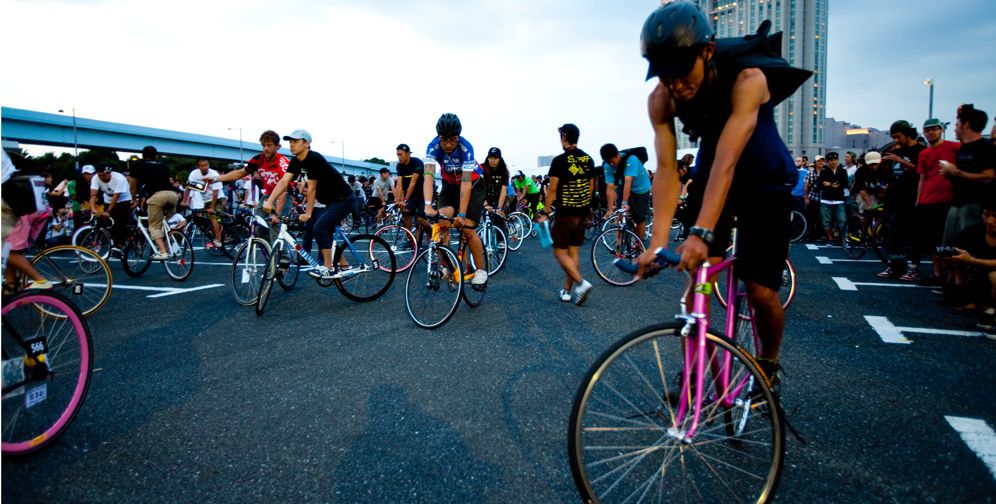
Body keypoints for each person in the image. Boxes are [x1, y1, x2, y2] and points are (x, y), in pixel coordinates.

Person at [637, 2, 812, 389]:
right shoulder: (661, 99)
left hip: (765, 181)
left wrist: (701, 232)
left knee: (760, 290)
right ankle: (696, 372)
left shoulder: (749, 79)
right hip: (710, 177)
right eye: (665, 76)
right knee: (693, 277)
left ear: (707, 52)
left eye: (682, 72)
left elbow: (727, 161)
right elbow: (667, 170)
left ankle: (768, 362)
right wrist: (657, 242)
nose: (676, 85)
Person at [263, 129, 356, 280]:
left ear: (306, 144)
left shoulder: (314, 159)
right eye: (290, 142)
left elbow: (312, 188)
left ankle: (328, 267)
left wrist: (308, 213)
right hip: (330, 201)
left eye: (295, 142)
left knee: (319, 227)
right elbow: (284, 181)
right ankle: (345, 265)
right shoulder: (296, 161)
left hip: (344, 199)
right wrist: (269, 200)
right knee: (324, 232)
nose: (291, 145)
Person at [421, 113, 488, 285]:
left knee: (467, 229)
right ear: (438, 137)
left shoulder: (466, 148)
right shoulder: (432, 146)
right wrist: (428, 205)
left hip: (473, 184)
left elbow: (465, 184)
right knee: (441, 223)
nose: (448, 144)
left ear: (458, 137)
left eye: (453, 140)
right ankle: (448, 265)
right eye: (444, 140)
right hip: (450, 185)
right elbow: (428, 176)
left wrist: (462, 214)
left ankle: (481, 270)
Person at [538, 124, 595, 304]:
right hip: (582, 210)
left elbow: (552, 189)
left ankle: (581, 283)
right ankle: (568, 290)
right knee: (573, 252)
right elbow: (591, 186)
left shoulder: (559, 160)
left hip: (566, 212)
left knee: (559, 252)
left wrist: (545, 212)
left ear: (563, 136)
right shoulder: (588, 159)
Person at [908, 119, 958, 284]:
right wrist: (918, 201)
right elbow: (922, 178)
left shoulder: (954, 147)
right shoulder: (924, 153)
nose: (931, 133)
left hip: (949, 200)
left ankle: (952, 276)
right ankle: (937, 274)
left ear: (941, 130)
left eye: (934, 129)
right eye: (927, 130)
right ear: (924, 133)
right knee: (932, 241)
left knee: (949, 240)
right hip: (927, 200)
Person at [878, 120, 926, 278]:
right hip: (894, 199)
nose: (896, 140)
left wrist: (902, 162)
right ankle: (894, 266)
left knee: (914, 236)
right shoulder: (896, 152)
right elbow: (891, 177)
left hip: (912, 199)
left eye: (898, 136)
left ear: (907, 133)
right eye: (893, 137)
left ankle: (914, 268)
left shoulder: (921, 151)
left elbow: (923, 172)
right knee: (892, 233)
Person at [949, 201, 996, 338]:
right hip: (977, 280)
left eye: (995, 216)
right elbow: (955, 258)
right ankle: (989, 310)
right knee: (956, 302)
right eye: (987, 214)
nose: (990, 220)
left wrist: (971, 260)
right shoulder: (972, 232)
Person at [128, 145, 179, 260]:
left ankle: (163, 252)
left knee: (153, 226)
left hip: (157, 196)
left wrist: (134, 200)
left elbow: (132, 185)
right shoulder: (163, 165)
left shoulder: (138, 165)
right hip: (173, 195)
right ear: (156, 156)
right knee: (164, 220)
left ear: (142, 155)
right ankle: (169, 240)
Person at [601, 143, 652, 241]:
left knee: (639, 219)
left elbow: (628, 181)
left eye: (612, 161)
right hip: (623, 186)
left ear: (617, 155)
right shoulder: (607, 166)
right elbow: (610, 187)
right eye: (608, 162)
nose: (612, 164)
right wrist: (610, 208)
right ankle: (618, 246)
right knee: (620, 216)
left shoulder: (631, 160)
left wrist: (625, 203)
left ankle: (639, 246)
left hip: (640, 189)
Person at [89, 165, 133, 253]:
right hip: (108, 200)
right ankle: (109, 240)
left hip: (123, 200)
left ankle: (120, 244)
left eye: (103, 175)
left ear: (109, 173)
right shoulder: (95, 178)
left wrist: (108, 211)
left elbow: (115, 197)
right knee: (105, 221)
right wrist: (93, 208)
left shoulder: (119, 178)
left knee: (119, 222)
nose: (101, 177)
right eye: (99, 175)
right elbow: (93, 195)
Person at [182, 159, 224, 248]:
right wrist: (184, 201)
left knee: (213, 217)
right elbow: (188, 188)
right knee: (200, 217)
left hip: (216, 198)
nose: (205, 167)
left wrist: (212, 208)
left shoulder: (214, 174)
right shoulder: (194, 174)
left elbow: (215, 193)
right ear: (198, 167)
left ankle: (218, 239)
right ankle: (212, 233)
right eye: (202, 166)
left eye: (206, 165)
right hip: (205, 199)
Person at [393, 144, 426, 232]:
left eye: (401, 154)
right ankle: (410, 238)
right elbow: (399, 185)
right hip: (413, 195)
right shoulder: (399, 166)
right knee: (404, 212)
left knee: (420, 219)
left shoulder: (417, 162)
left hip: (423, 193)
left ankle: (432, 236)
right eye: (397, 154)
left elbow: (413, 183)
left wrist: (404, 200)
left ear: (408, 154)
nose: (399, 157)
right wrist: (396, 201)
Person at [818, 152, 848, 243]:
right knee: (826, 220)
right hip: (826, 199)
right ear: (827, 162)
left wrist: (832, 184)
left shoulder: (842, 171)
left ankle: (844, 238)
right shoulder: (824, 171)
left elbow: (845, 184)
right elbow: (820, 185)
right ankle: (830, 238)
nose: (833, 162)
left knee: (842, 220)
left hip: (839, 199)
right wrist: (829, 184)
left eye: (835, 160)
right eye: (831, 160)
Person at [482, 147, 510, 236]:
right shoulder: (482, 169)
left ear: (499, 159)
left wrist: (499, 207)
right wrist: (485, 204)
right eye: (490, 158)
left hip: (499, 198)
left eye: (495, 158)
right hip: (485, 198)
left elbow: (503, 191)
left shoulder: (504, 172)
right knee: (485, 217)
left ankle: (501, 240)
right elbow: (479, 188)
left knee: (498, 217)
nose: (492, 160)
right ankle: (485, 242)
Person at [803, 155, 825, 242]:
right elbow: (806, 186)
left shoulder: (826, 171)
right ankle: (811, 234)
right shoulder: (810, 172)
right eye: (818, 161)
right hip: (812, 196)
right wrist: (806, 197)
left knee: (821, 217)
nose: (820, 162)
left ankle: (819, 235)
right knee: (811, 217)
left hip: (823, 198)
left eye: (822, 161)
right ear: (815, 163)